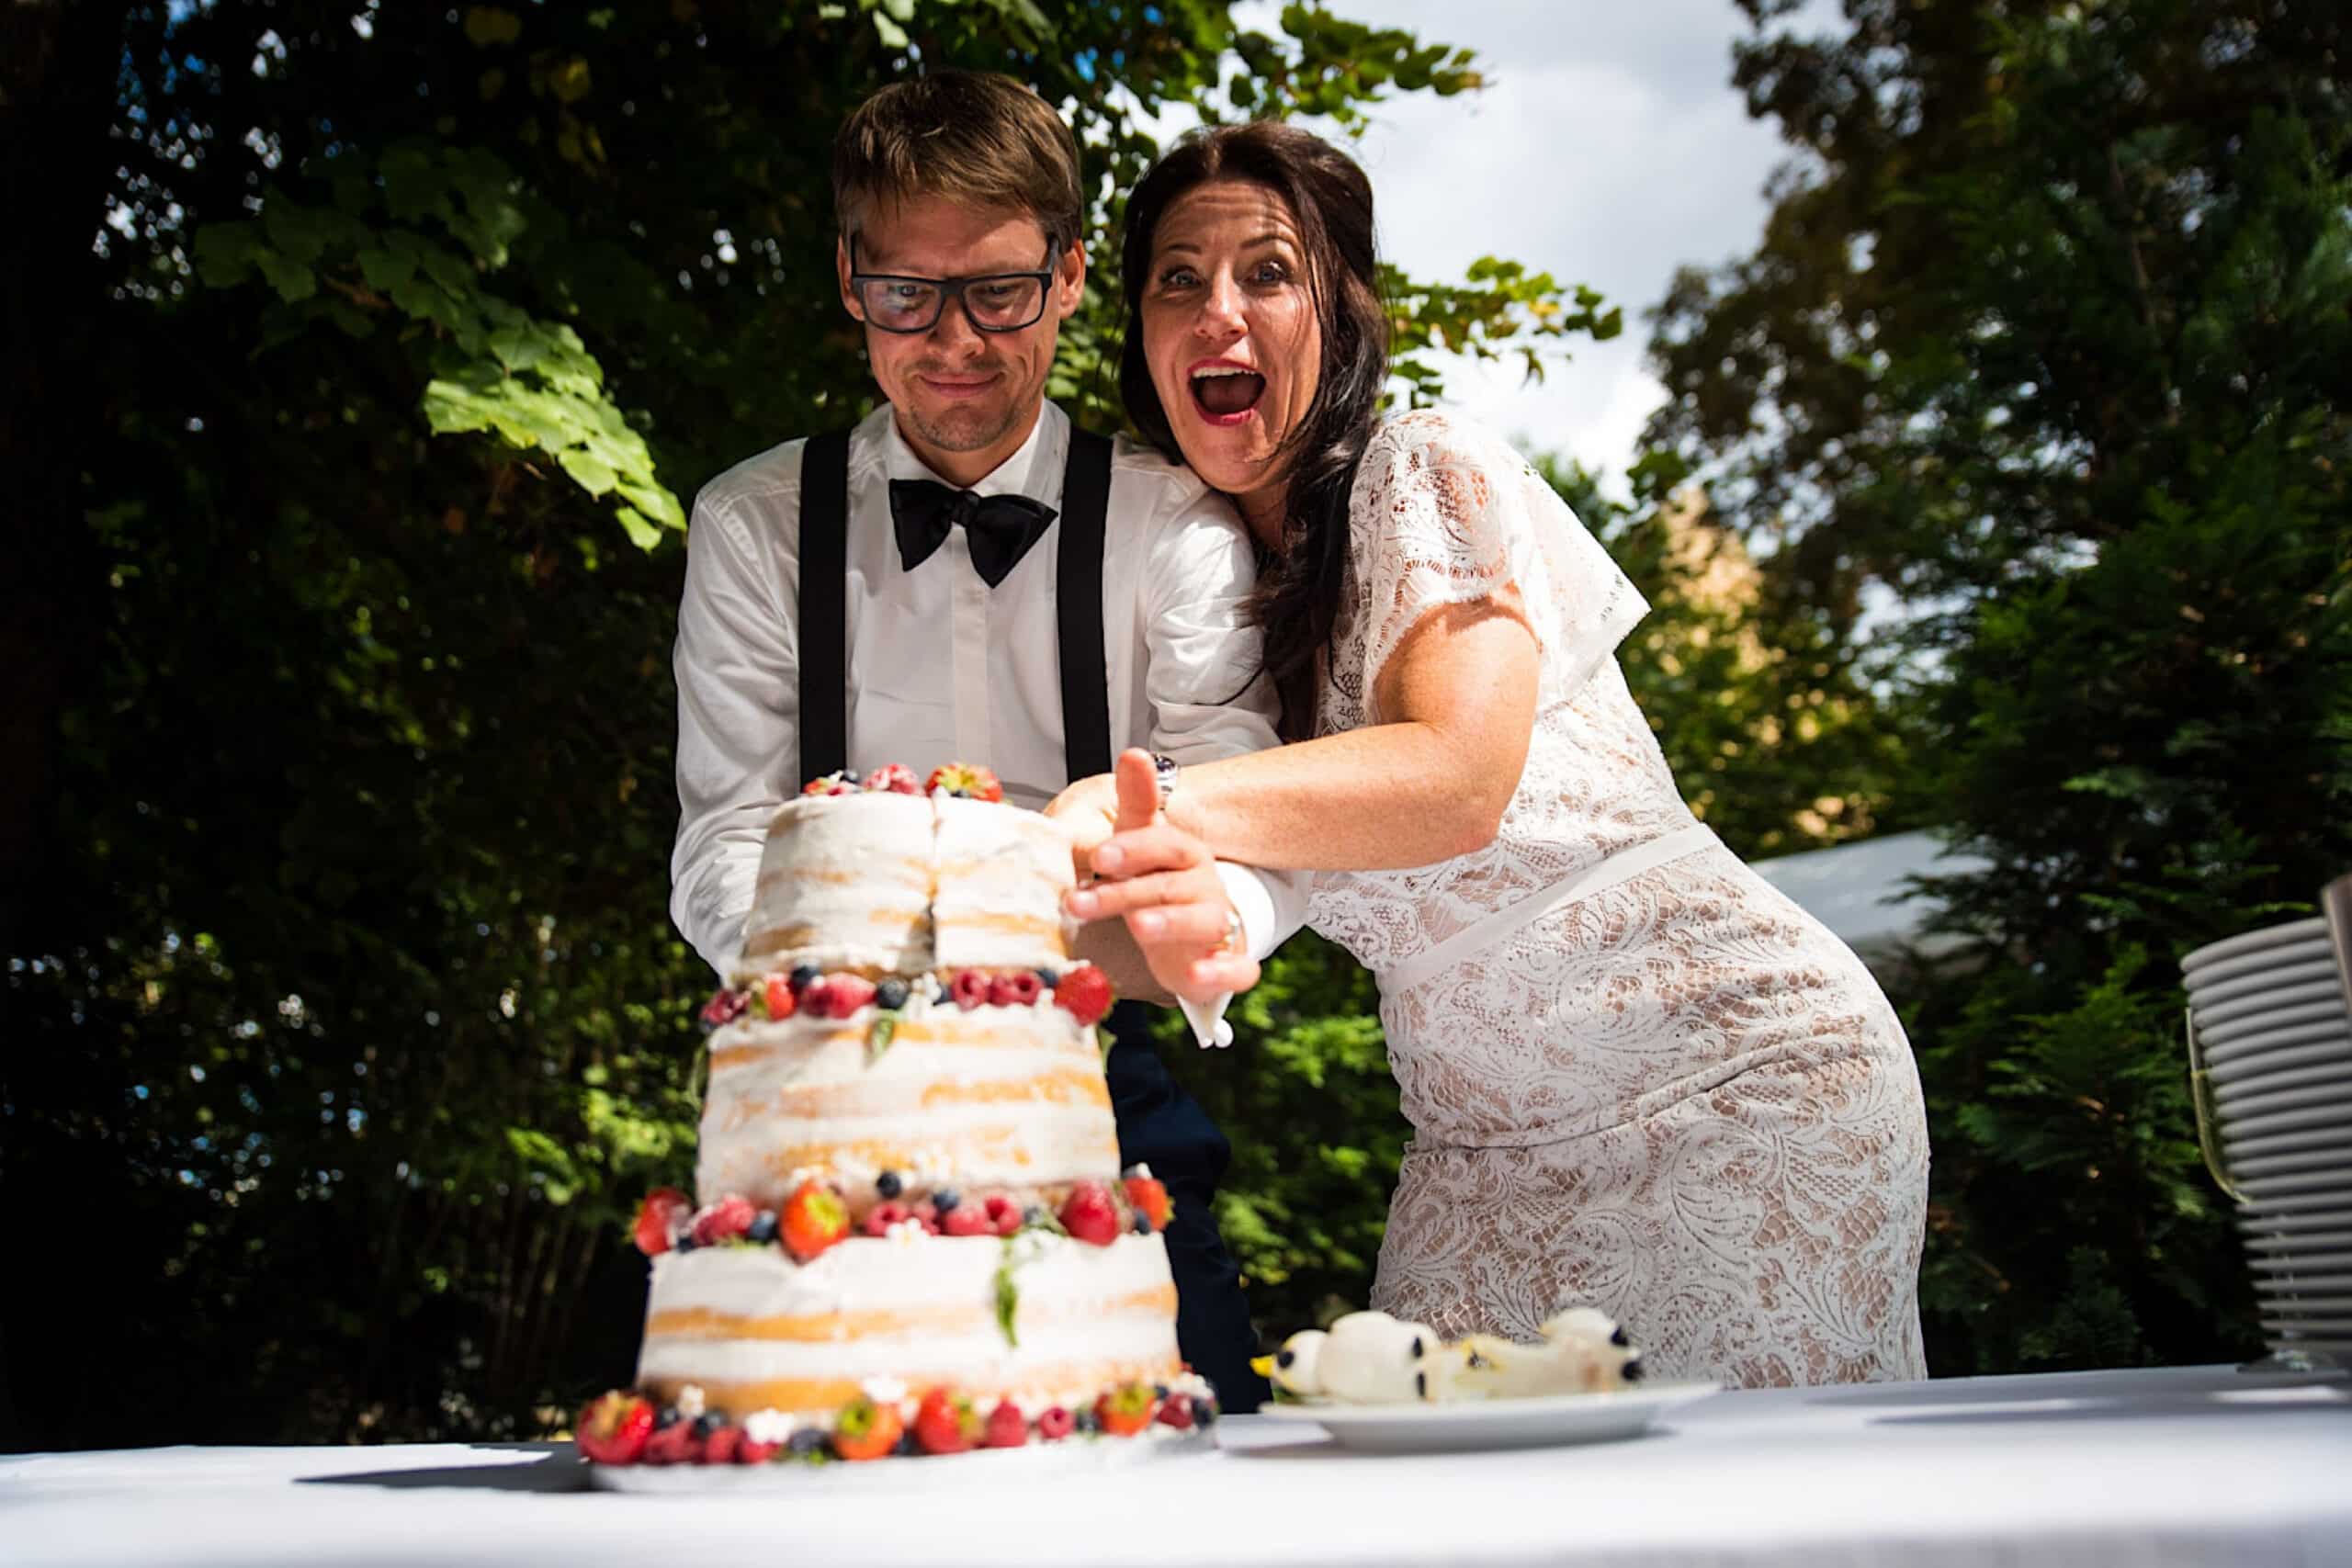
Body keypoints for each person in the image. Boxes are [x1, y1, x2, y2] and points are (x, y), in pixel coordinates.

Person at [1053, 122, 1930, 1387]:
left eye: (1268, 273)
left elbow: (1453, 779)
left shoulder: (1424, 467)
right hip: (1478, 1159)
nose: (1218, 313)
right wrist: (974, 915)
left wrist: (1120, 802)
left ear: (1343, 312)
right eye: (1177, 281)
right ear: (1139, 332)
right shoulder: (1200, 611)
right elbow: (1213, 930)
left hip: (1739, 1084)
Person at [667, 72, 1301, 1409]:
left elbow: (1231, 793)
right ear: (850, 281)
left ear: (1070, 276)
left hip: (1102, 1071)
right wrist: (873, 984)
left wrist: (1205, 921)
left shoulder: (1174, 522)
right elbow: (724, 834)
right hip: (826, 1079)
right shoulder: (751, 527)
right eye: (908, 292)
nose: (953, 339)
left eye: (999, 291)